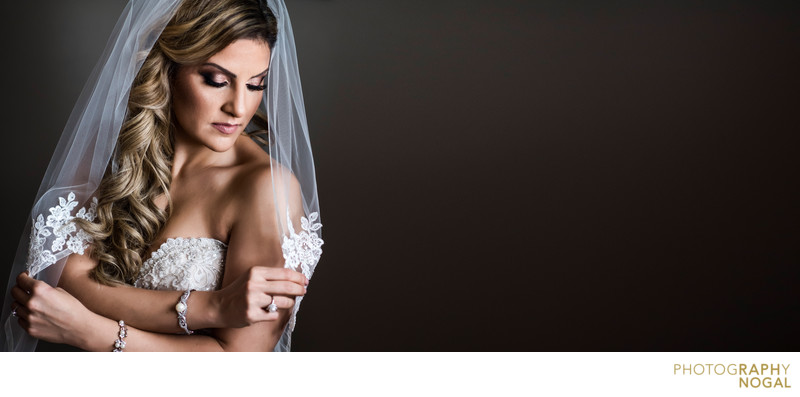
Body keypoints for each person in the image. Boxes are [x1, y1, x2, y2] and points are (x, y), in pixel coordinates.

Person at [1, 0, 323, 352]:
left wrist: (89, 331)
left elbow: (241, 363)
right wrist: (213, 307)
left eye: (256, 85)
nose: (239, 108)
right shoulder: (115, 148)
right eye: (217, 80)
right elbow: (67, 278)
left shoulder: (265, 188)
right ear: (167, 67)